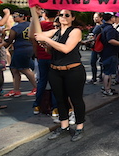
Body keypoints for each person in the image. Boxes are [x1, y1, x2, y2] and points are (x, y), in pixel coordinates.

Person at [33, 9, 86, 142]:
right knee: (60, 99)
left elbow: (66, 48)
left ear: (73, 18)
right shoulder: (55, 32)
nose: (63, 17)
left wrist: (46, 40)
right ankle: (64, 126)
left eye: (67, 15)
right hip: (55, 71)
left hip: (73, 71)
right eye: (61, 15)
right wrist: (34, 13)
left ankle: (79, 127)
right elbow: (34, 35)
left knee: (76, 99)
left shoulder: (75, 31)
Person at [3, 10, 37, 98]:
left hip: (21, 49)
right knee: (14, 68)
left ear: (23, 16)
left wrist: (1, 45)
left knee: (24, 69)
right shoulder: (31, 25)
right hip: (29, 47)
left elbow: (10, 40)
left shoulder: (16, 28)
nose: (14, 17)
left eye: (16, 16)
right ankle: (16, 89)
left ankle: (36, 87)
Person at [99, 13, 119, 96]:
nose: (115, 18)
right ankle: (107, 89)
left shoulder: (103, 27)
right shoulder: (110, 29)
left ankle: (106, 87)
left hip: (104, 52)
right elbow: (110, 40)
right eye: (114, 17)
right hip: (111, 52)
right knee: (108, 72)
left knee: (106, 71)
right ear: (111, 18)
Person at [87, 12, 103, 84]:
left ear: (101, 18)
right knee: (98, 62)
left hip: (98, 46)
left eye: (96, 17)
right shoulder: (99, 26)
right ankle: (99, 77)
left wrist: (86, 41)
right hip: (97, 46)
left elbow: (93, 37)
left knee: (94, 62)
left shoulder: (100, 27)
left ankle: (95, 78)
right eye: (94, 17)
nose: (95, 19)